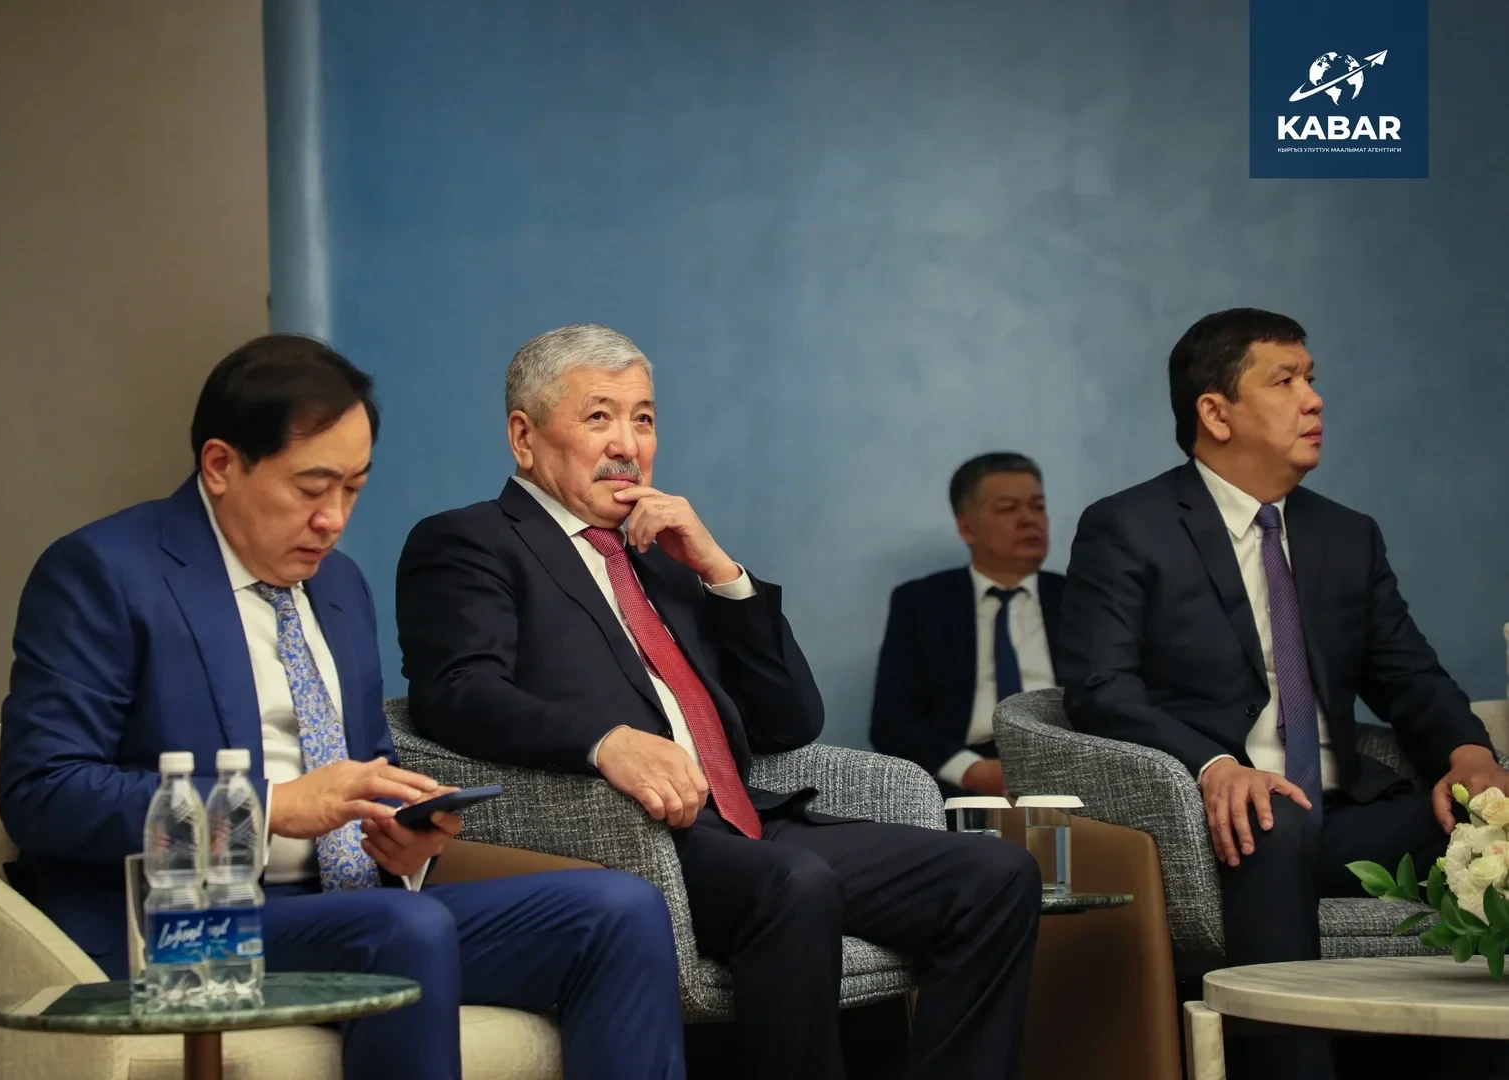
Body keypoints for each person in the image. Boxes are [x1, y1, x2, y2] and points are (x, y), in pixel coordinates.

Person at [0, 335, 686, 1080]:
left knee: (621, 911)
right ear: (221, 466)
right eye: (311, 488)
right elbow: (43, 794)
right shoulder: (105, 572)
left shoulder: (338, 586)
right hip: (183, 926)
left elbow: (363, 768)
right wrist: (270, 808)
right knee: (403, 928)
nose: (333, 519)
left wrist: (401, 839)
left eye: (352, 489)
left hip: (357, 910)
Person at [397, 324, 1041, 1080]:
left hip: (747, 821)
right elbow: (457, 694)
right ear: (524, 437)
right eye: (600, 416)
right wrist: (605, 742)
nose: (627, 445)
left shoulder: (665, 555)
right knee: (795, 884)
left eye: (643, 419)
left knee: (996, 876)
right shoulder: (470, 541)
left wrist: (721, 572)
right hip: (631, 835)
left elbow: (791, 721)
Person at [1056, 308, 1507, 1080]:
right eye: (1285, 381)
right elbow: (1099, 689)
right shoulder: (1128, 527)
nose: (1314, 399)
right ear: (1216, 412)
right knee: (1273, 821)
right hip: (1222, 823)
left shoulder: (1348, 535)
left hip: (1347, 816)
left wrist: (1471, 757)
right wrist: (1213, 766)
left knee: (1489, 825)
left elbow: (1410, 676)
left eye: (1312, 379)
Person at [870, 452, 1064, 798]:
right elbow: (891, 722)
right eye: (1008, 508)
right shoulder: (921, 603)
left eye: (1037, 507)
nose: (1028, 520)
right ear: (966, 527)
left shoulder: (1081, 598)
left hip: (1070, 767)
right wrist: (970, 771)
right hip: (966, 777)